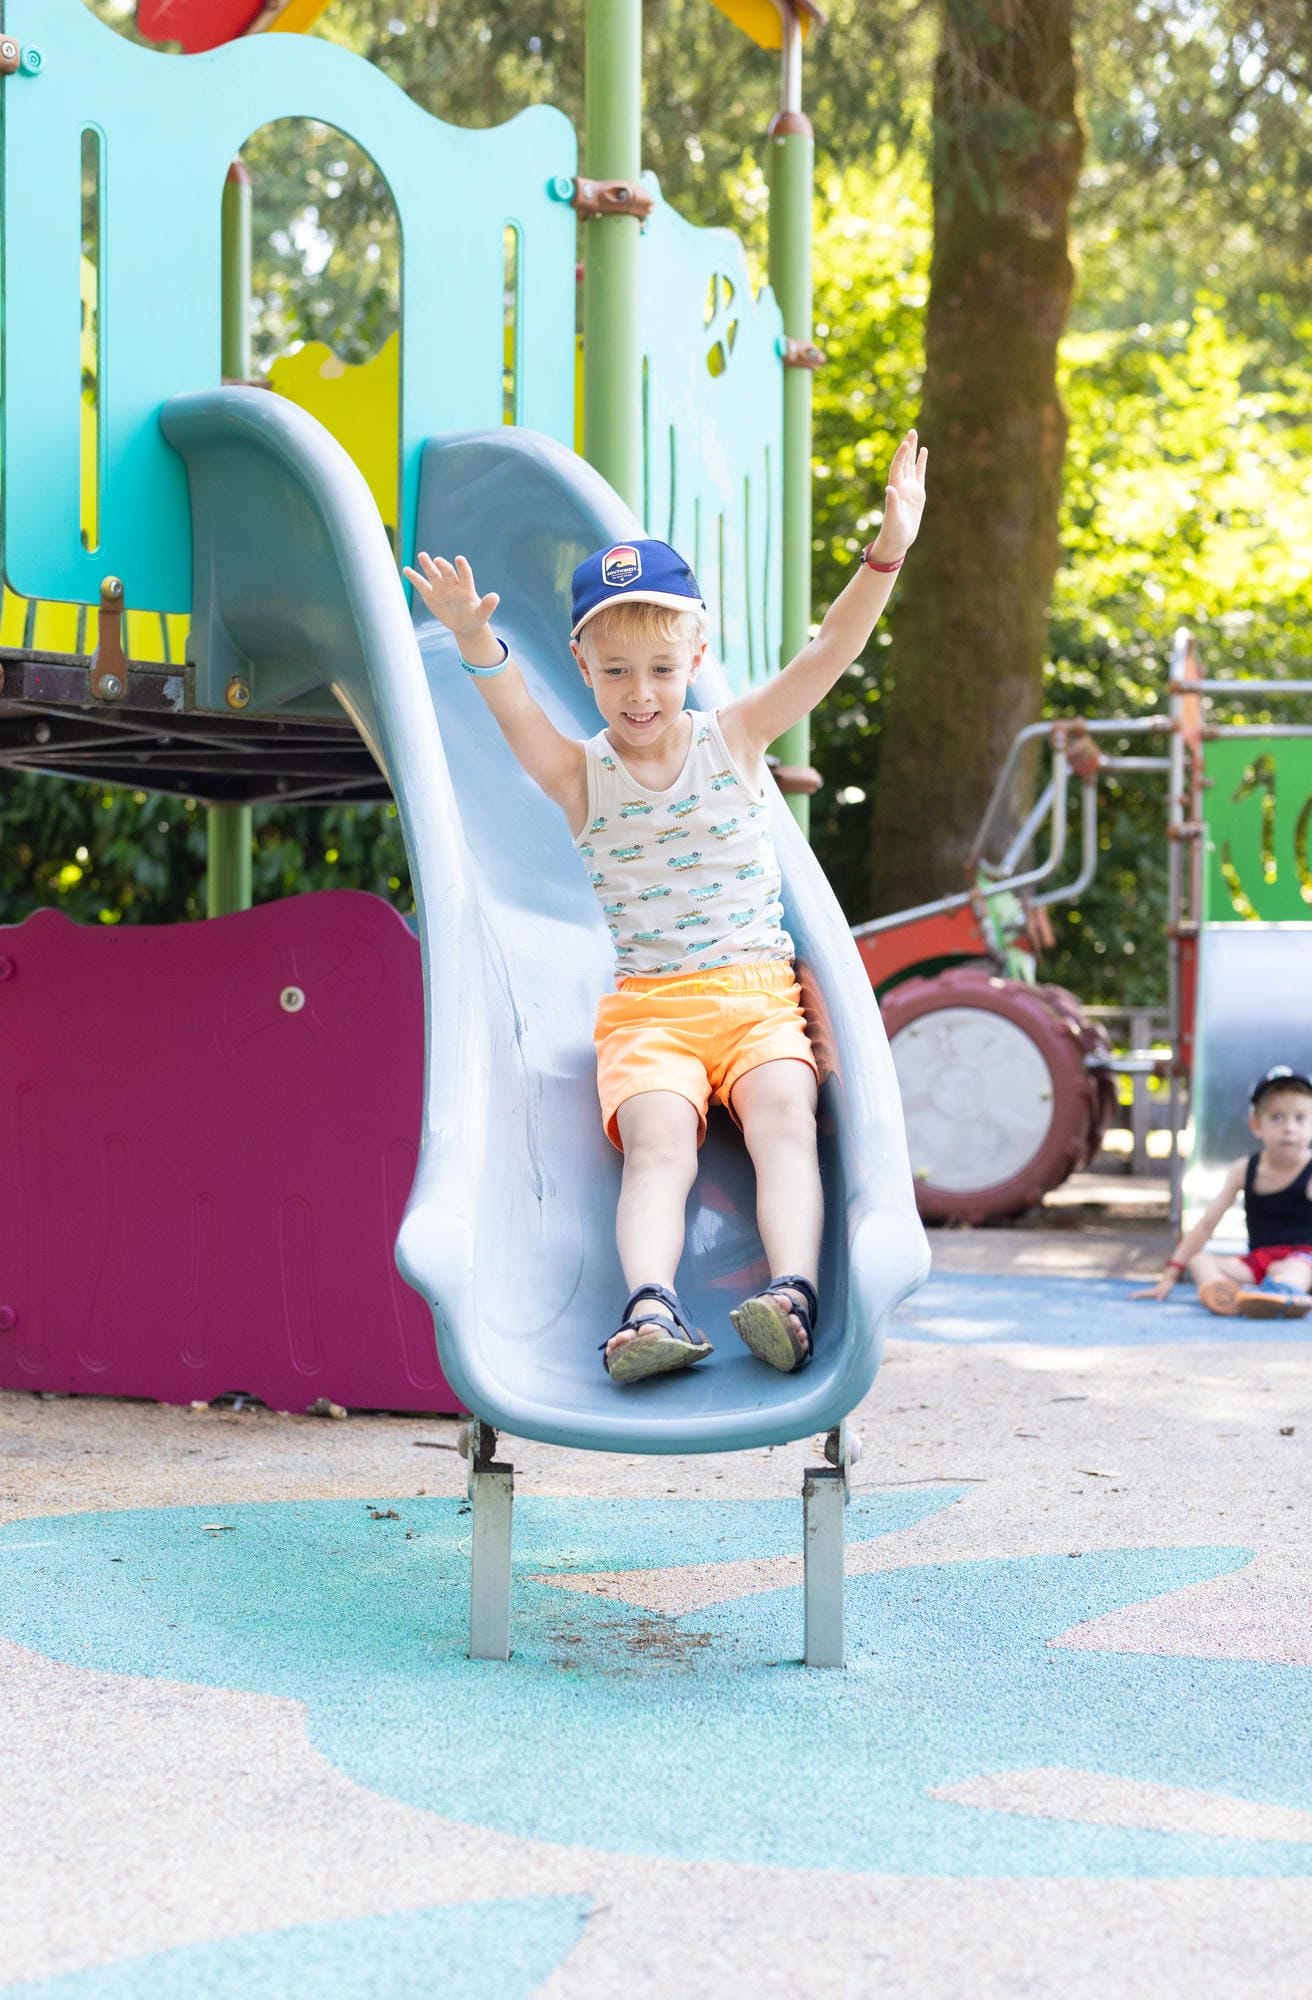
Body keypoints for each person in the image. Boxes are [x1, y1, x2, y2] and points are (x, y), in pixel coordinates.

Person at [403, 431, 927, 1383]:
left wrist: (888, 549)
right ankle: (649, 1306)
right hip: (649, 1009)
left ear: (696, 653)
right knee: (655, 1145)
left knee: (780, 1115)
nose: (638, 694)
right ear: (582, 665)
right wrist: (473, 636)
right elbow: (515, 710)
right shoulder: (578, 775)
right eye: (612, 673)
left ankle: (793, 1294)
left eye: (657, 668)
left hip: (760, 995)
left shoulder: (734, 738)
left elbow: (833, 651)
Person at [1135, 1065, 1312, 1317]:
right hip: (1260, 1261)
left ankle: (1285, 1294)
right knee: (1200, 1260)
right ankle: (1227, 1295)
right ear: (1256, 1125)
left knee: (1297, 1269)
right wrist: (1172, 1272)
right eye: (1276, 1117)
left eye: (1300, 1118)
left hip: (1303, 1259)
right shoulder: (1245, 1169)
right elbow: (1207, 1223)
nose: (1289, 1127)